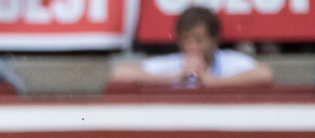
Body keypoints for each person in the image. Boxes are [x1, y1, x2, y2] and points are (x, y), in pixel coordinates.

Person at [108, 6, 273, 89]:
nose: (192, 47)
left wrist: (214, 82)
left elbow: (265, 73)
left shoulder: (227, 60)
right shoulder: (175, 64)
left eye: (199, 40)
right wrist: (174, 77)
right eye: (186, 40)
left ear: (214, 39)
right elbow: (119, 73)